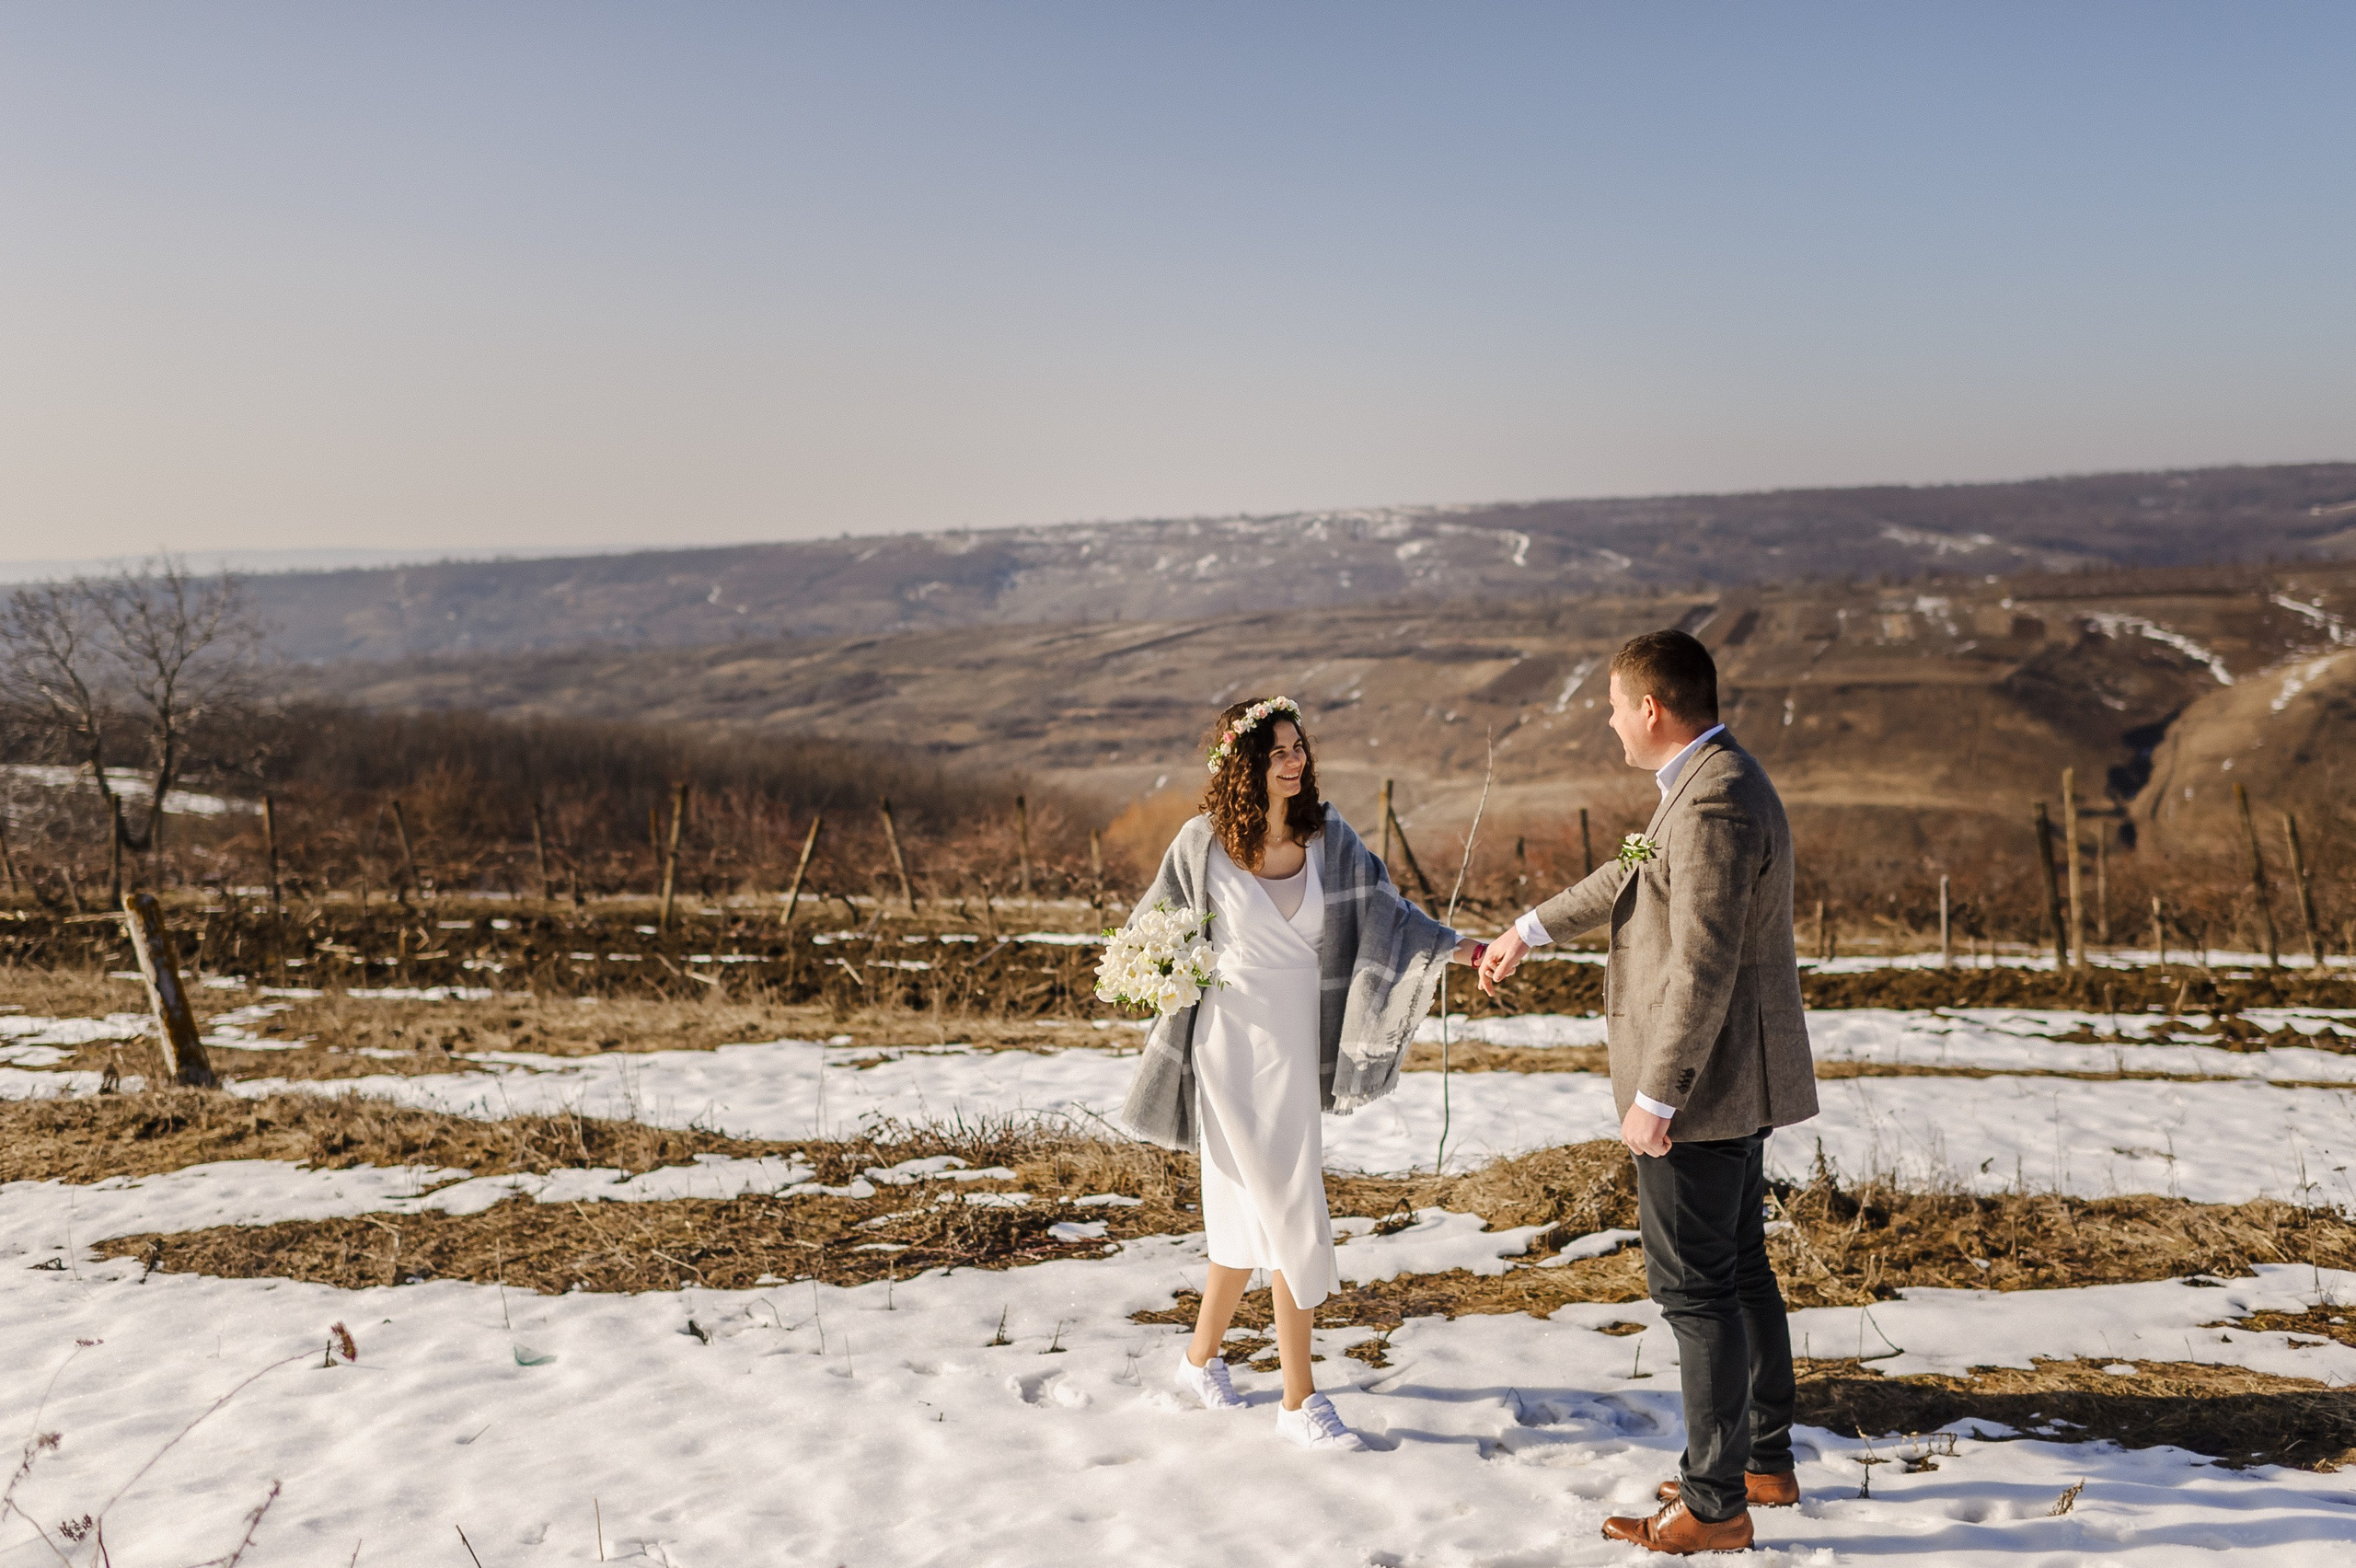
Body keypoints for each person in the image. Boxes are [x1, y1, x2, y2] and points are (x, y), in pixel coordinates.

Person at [1479, 629, 1818, 1555]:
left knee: (1694, 1292)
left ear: (1651, 709)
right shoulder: (1707, 784)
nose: (1609, 725)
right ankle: (1758, 1460)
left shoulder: (1711, 806)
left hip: (1702, 1088)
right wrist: (1526, 930)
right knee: (1738, 1268)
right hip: (1730, 1079)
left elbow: (1701, 966)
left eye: (1612, 709)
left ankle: (1714, 1507)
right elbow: (1629, 872)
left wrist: (1657, 1097)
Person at [1119, 696, 1484, 1451]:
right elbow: (1146, 937)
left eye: (1297, 747)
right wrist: (1157, 971)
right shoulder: (1200, 847)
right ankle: (1299, 1401)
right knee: (1289, 1210)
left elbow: (1391, 913)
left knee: (1246, 1222)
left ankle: (1198, 1361)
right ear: (1240, 764)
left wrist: (1457, 947)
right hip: (1226, 1050)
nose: (1294, 761)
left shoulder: (1330, 840)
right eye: (1277, 751)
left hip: (1296, 1047)